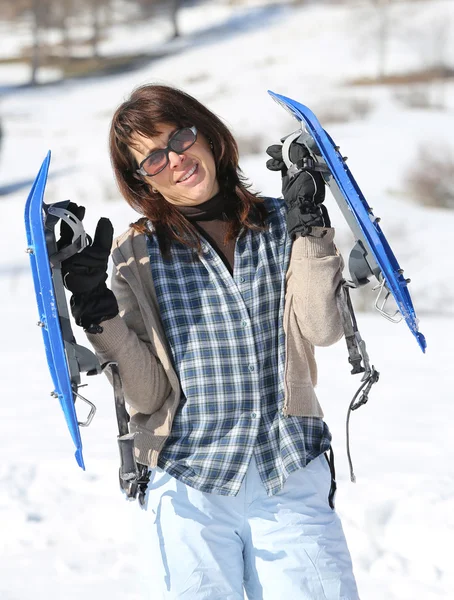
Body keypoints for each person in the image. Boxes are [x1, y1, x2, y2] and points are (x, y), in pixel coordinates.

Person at [60, 84, 360, 599]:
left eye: (179, 137)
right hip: (188, 484)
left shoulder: (280, 224)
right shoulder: (137, 253)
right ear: (142, 179)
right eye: (152, 158)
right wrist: (97, 311)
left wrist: (311, 231)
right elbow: (150, 396)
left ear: (208, 135)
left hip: (288, 468)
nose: (175, 159)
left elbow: (322, 329)